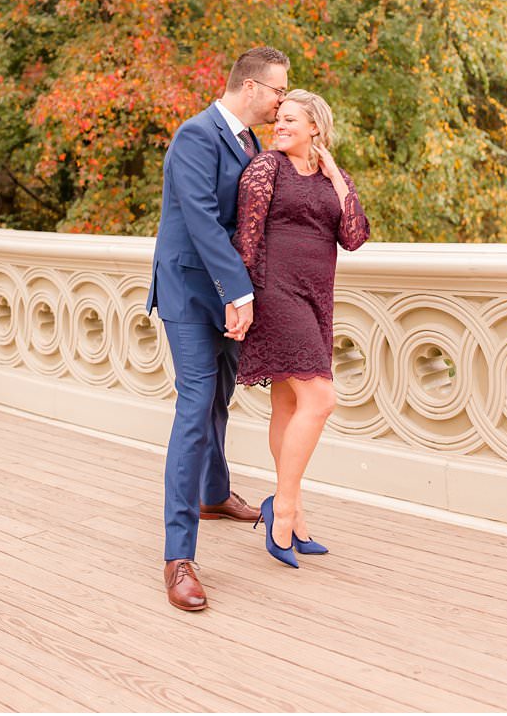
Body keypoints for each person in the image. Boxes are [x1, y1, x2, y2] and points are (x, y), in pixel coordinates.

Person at [146, 46, 289, 611]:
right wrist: (240, 291)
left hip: (227, 294)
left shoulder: (249, 141)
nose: (282, 100)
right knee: (196, 404)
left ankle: (212, 493)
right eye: (278, 90)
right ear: (250, 88)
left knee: (221, 398)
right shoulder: (195, 135)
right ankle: (178, 556)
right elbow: (203, 221)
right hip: (188, 289)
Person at [232, 89, 369, 567]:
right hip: (275, 293)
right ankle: (283, 508)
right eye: (279, 120)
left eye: (292, 120)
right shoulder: (267, 167)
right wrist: (240, 299)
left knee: (289, 403)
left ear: (316, 127)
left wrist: (336, 178)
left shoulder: (334, 176)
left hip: (317, 299)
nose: (281, 127)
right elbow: (245, 239)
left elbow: (354, 236)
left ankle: (294, 512)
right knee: (321, 399)